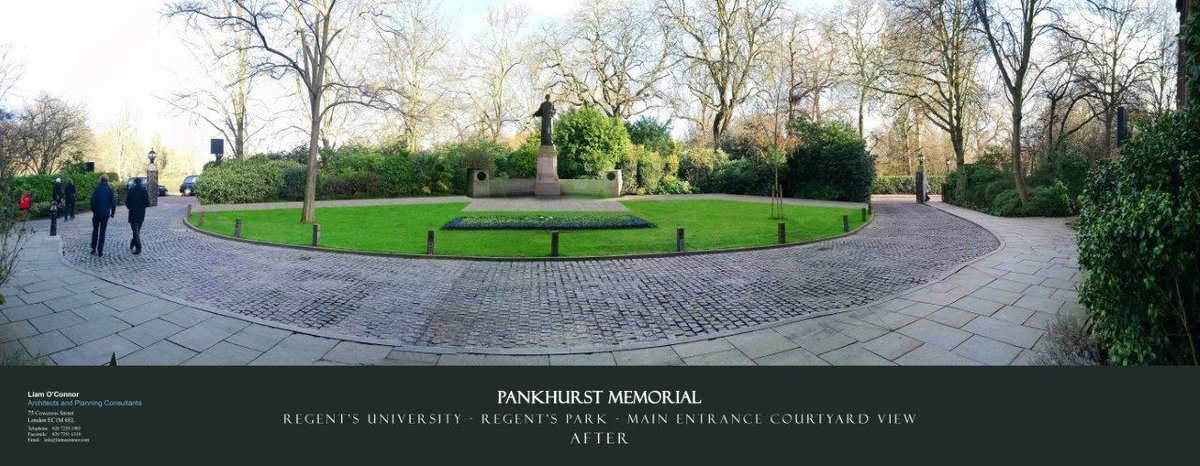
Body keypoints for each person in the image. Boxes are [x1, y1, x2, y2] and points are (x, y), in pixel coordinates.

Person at [90, 175, 117, 257]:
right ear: (107, 181)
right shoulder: (109, 190)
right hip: (105, 214)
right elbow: (113, 203)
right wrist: (112, 213)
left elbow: (92, 202)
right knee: (102, 232)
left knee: (95, 230)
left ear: (100, 180)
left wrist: (94, 210)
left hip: (97, 213)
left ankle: (93, 248)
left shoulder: (97, 189)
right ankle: (100, 251)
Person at [125, 177, 149, 255]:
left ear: (134, 182)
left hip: (133, 213)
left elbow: (127, 202)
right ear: (141, 182)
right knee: (136, 231)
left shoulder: (131, 190)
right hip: (141, 214)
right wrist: (143, 207)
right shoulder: (144, 191)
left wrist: (130, 207)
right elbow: (147, 203)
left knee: (135, 231)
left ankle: (138, 247)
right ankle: (133, 244)